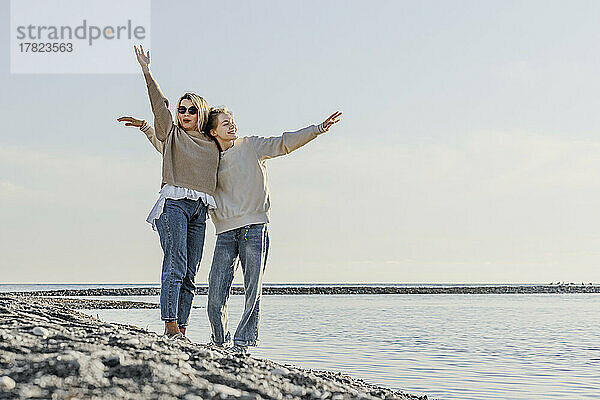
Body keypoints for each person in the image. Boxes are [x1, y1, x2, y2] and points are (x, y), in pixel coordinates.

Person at [121, 108, 341, 353]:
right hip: (225, 233)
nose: (232, 126)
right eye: (226, 124)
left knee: (252, 291)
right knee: (215, 295)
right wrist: (146, 128)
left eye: (233, 122)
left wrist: (318, 129)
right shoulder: (209, 156)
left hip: (254, 228)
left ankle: (242, 343)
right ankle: (218, 341)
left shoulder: (252, 146)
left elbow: (284, 143)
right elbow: (170, 152)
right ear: (213, 131)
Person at [121, 45, 220, 340]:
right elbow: (159, 107)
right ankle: (169, 326)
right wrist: (147, 72)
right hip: (173, 206)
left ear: (201, 114)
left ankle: (182, 328)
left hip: (199, 211)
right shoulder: (172, 133)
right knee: (175, 264)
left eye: (192, 109)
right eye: (182, 109)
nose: (185, 113)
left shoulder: (212, 143)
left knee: (191, 272)